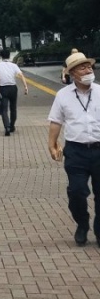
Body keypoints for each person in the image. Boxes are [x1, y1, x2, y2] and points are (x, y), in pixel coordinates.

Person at [48, 51, 99, 246]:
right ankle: (82, 224)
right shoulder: (63, 95)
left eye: (89, 66)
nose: (88, 70)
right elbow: (55, 121)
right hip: (76, 151)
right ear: (72, 73)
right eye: (82, 68)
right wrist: (51, 145)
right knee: (77, 191)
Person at [0, 48, 28, 136]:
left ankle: (7, 127)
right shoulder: (14, 65)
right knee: (13, 108)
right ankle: (12, 126)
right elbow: (21, 75)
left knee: (4, 109)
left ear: (1, 56)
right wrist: (25, 86)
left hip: (3, 88)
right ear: (9, 56)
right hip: (13, 88)